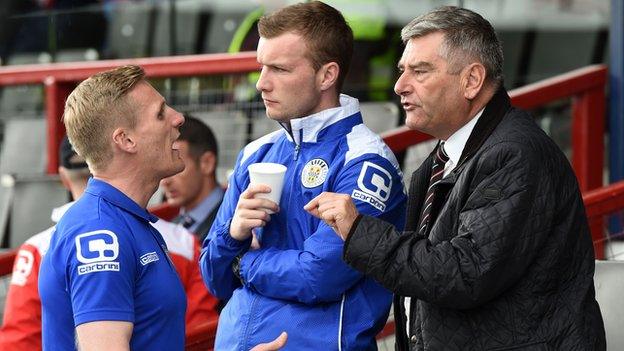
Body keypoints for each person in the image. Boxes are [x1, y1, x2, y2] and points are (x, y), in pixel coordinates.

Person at [305, 6, 606, 350]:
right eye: (403, 70)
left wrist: (359, 231)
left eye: (420, 71)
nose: (400, 85)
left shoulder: (515, 154)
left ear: (472, 80)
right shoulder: (446, 157)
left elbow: (464, 273)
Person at [200, 1, 407, 350]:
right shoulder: (255, 153)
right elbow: (213, 279)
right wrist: (232, 235)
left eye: (279, 69)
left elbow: (318, 277)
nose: (261, 84)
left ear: (327, 75)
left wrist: (242, 261)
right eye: (261, 67)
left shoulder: (366, 162)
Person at [0, 136, 218, 349]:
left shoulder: (37, 248)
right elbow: (200, 332)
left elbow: (19, 341)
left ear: (63, 178)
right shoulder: (183, 242)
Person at [38, 65, 188, 350]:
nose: (178, 118)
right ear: (126, 140)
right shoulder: (101, 231)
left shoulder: (119, 220)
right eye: (160, 113)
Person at [161, 115, 224, 242]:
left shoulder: (234, 224)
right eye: (162, 171)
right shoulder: (173, 225)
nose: (164, 181)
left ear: (207, 163)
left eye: (176, 169)